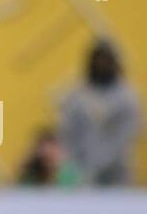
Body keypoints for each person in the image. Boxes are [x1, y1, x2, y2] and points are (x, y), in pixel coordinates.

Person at [57, 40, 142, 186]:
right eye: (98, 60)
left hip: (118, 170)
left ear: (114, 63)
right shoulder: (77, 95)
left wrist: (106, 157)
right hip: (83, 170)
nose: (102, 64)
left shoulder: (127, 97)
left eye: (106, 60)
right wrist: (75, 160)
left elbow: (129, 131)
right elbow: (67, 132)